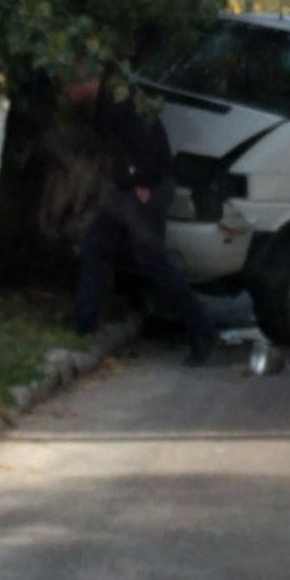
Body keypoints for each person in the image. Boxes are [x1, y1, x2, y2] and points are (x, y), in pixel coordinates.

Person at [68, 66, 213, 365]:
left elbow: (147, 143)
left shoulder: (119, 100)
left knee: (152, 262)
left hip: (143, 188)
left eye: (66, 86)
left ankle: (201, 331)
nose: (65, 94)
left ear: (83, 78)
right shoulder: (110, 99)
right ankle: (84, 323)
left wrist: (142, 182)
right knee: (97, 246)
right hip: (130, 189)